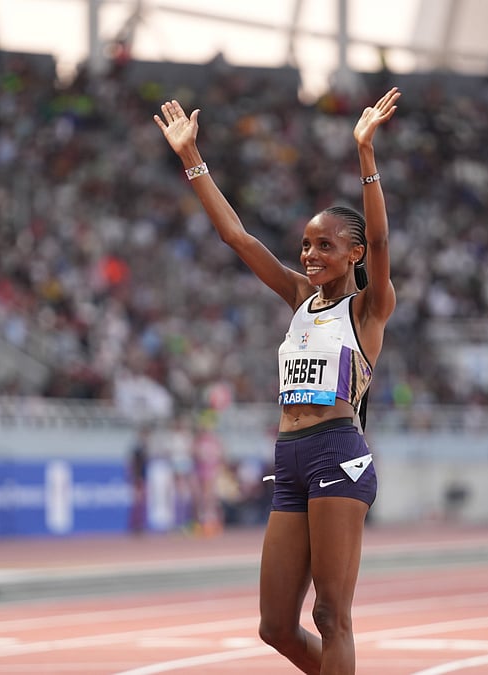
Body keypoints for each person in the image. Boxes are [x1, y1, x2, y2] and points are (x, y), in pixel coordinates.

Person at [154, 87, 400, 674]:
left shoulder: (369, 308)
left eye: (325, 246)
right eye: (306, 246)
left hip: (338, 454)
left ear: (354, 254)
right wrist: (192, 159)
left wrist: (365, 154)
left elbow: (385, 241)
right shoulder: (298, 296)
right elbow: (237, 237)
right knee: (274, 626)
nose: (310, 255)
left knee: (332, 617)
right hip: (288, 457)